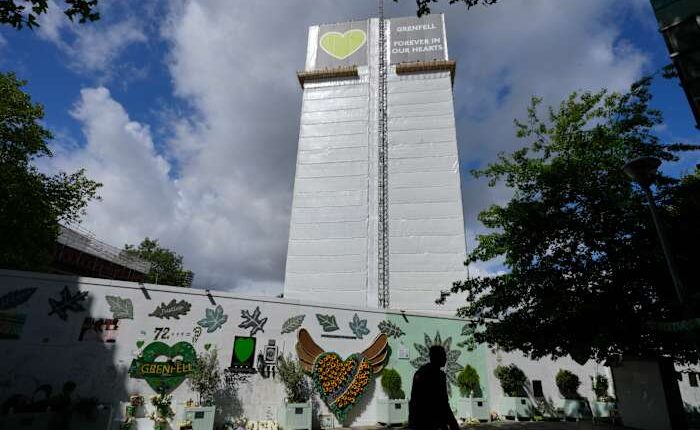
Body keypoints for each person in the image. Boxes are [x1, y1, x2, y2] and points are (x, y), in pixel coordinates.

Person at [409, 345, 460, 430]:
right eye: (443, 356)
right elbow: (442, 402)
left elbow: (443, 402)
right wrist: (453, 424)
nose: (446, 359)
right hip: (427, 421)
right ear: (437, 357)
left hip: (428, 420)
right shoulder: (431, 375)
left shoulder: (424, 372)